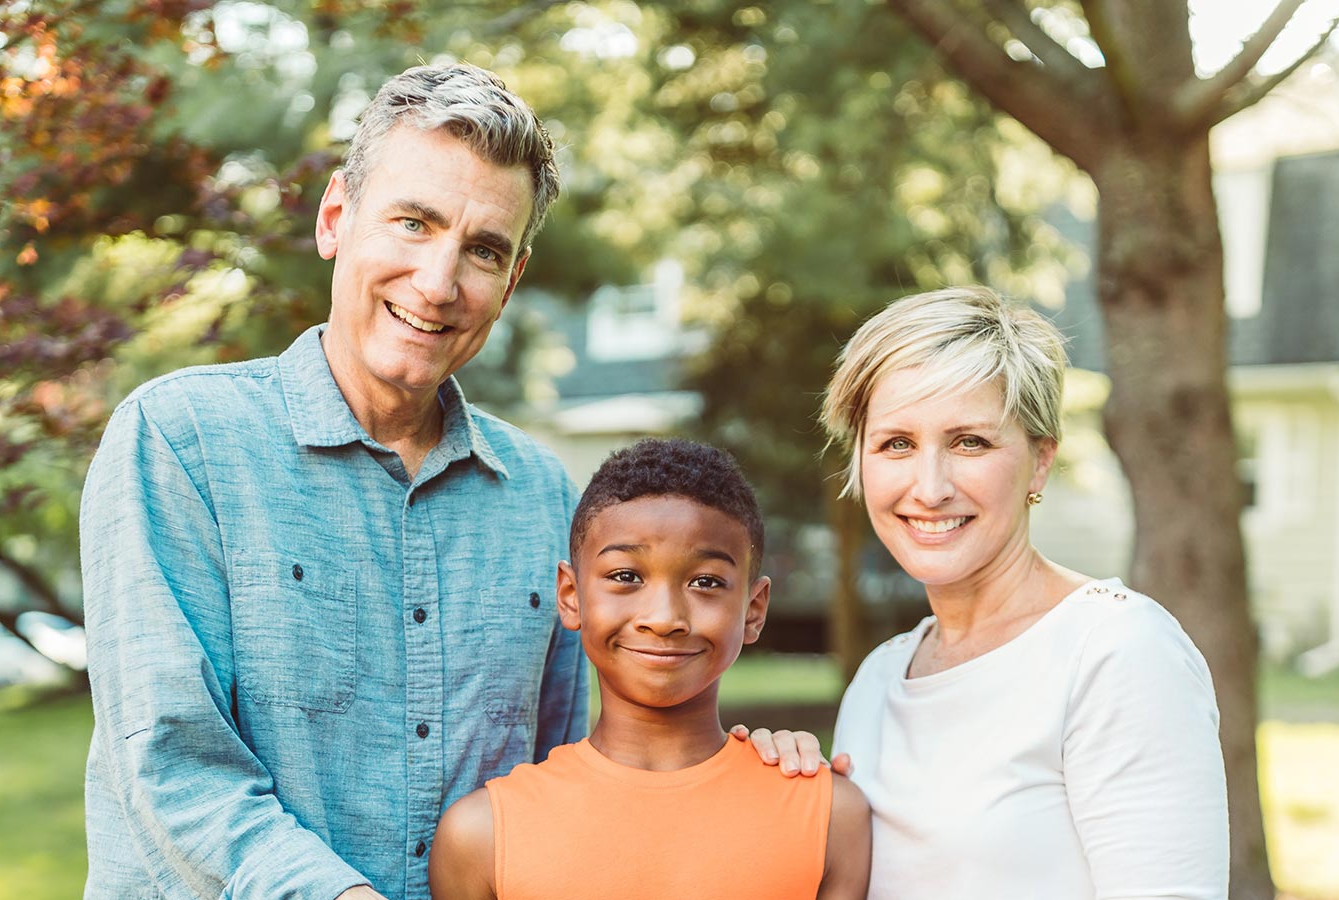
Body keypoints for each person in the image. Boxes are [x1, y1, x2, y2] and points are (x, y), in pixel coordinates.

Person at [80, 63, 820, 900]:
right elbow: (172, 763)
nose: (438, 283)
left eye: (482, 249)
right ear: (335, 217)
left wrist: (750, 772)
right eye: (412, 223)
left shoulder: (542, 493)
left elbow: (556, 787)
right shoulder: (181, 442)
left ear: (513, 279)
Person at [820, 286, 1228, 899]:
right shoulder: (879, 679)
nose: (929, 488)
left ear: (1039, 462)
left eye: (970, 442)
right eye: (896, 443)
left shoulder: (1115, 652)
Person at [428, 439, 872, 900]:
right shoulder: (483, 836)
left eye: (706, 582)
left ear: (753, 609)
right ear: (570, 595)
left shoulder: (829, 817)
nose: (663, 618)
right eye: (626, 576)